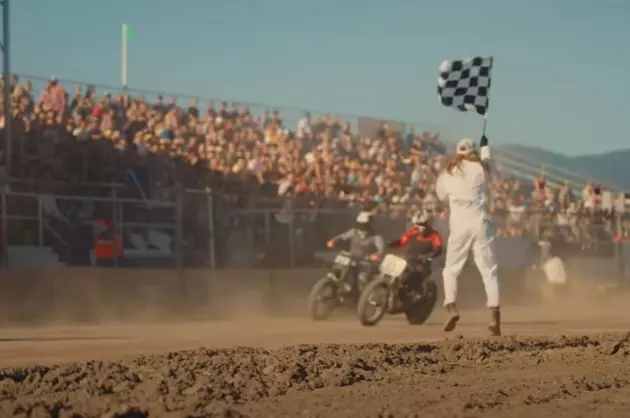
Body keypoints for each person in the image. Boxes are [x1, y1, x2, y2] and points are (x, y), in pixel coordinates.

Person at [436, 135, 501, 336]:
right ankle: (494, 318)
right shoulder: (482, 168)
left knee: (450, 270)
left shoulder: (447, 173)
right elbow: (489, 164)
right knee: (488, 271)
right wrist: (486, 147)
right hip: (480, 222)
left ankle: (452, 307)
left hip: (459, 225)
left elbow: (441, 197)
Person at [327, 211, 385, 290]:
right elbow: (341, 236)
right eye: (360, 226)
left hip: (366, 261)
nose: (362, 230)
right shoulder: (353, 231)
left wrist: (376, 255)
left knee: (361, 279)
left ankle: (362, 297)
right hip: (352, 259)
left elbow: (381, 250)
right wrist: (333, 241)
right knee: (339, 269)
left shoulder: (376, 237)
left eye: (364, 227)